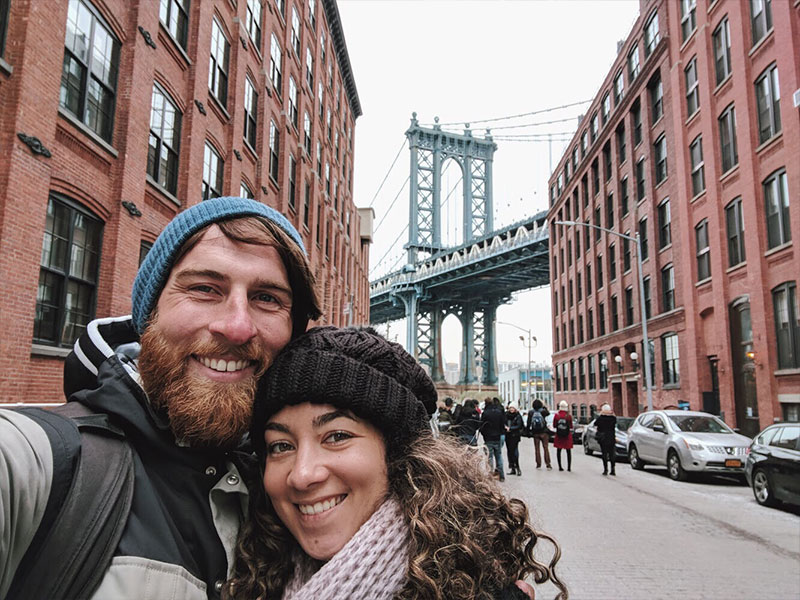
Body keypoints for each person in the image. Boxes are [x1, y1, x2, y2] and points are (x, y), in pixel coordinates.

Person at [0, 197, 322, 599]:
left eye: (267, 298)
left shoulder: (298, 486)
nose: (237, 327)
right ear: (149, 316)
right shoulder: (40, 462)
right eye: (205, 288)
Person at [225, 326, 567, 600]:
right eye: (281, 445)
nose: (302, 475)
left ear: (399, 455)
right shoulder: (250, 578)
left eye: (337, 436)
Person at [481, 397, 508, 481]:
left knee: (489, 457)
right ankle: (502, 475)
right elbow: (502, 424)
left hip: (488, 438)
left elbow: (482, 426)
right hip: (497, 437)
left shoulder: (485, 413)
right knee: (499, 456)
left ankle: (490, 475)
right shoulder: (498, 412)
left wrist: (484, 434)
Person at [527, 398, 552, 470]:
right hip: (544, 432)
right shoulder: (543, 411)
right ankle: (548, 464)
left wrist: (528, 432)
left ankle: (538, 464)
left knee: (537, 449)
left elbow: (529, 423)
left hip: (535, 433)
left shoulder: (531, 412)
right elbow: (548, 413)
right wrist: (544, 406)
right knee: (545, 448)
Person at [595, 403, 617, 476]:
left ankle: (605, 469)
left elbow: (595, 424)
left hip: (603, 438)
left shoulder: (600, 418)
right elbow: (615, 421)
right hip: (611, 437)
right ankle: (613, 469)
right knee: (612, 454)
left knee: (604, 453)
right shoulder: (613, 419)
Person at [553, 401, 574, 472]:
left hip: (559, 435)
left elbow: (554, 425)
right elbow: (571, 426)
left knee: (559, 450)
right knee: (568, 451)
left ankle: (560, 466)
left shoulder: (556, 415)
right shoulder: (569, 416)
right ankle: (569, 467)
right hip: (567, 435)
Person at [505, 401, 524, 476]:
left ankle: (517, 467)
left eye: (513, 408)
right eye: (510, 408)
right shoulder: (506, 415)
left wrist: (511, 428)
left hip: (515, 435)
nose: (511, 409)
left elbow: (519, 425)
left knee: (515, 451)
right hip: (508, 435)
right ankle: (512, 467)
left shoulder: (518, 416)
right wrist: (505, 427)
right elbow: (503, 422)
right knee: (509, 451)